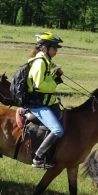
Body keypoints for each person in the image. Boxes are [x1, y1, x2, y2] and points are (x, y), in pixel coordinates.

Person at [24, 31, 64, 169]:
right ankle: (38, 158)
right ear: (45, 48)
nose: (56, 51)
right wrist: (54, 84)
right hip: (37, 104)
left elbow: (43, 81)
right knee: (58, 130)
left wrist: (54, 78)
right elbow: (38, 85)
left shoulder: (45, 62)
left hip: (44, 102)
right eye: (55, 48)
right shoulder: (40, 62)